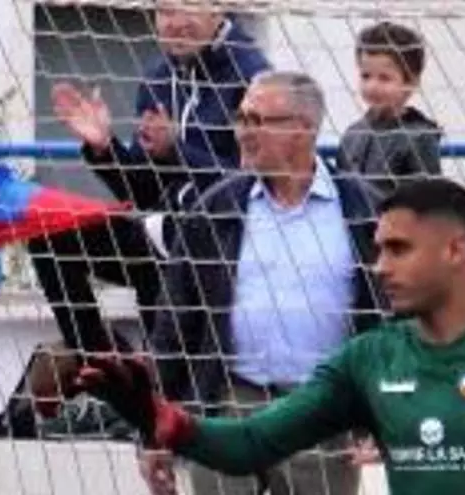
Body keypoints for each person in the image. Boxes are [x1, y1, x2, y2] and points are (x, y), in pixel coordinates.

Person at [70, 178, 465, 495]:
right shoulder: (369, 358)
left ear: (456, 249)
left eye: (399, 249)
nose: (379, 266)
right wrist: (168, 421)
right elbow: (252, 443)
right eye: (378, 249)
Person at [0, 3, 271, 439]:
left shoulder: (253, 76)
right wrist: (104, 148)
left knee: (169, 273)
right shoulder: (157, 76)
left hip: (221, 246)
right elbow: (145, 192)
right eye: (164, 10)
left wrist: (177, 150)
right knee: (53, 234)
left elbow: (253, 184)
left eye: (187, 8)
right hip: (163, 234)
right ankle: (104, 375)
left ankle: (156, 402)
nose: (174, 22)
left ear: (217, 9)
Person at [143, 70, 381, 495]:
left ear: (304, 128)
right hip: (231, 404)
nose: (243, 132)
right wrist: (154, 430)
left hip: (323, 412)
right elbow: (175, 323)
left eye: (258, 120)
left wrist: (385, 416)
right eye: (241, 119)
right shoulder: (215, 208)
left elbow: (393, 320)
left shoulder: (363, 209)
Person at [336, 21, 442, 195]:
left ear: (411, 82)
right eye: (366, 76)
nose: (372, 86)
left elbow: (428, 199)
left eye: (384, 78)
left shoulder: (418, 138)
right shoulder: (352, 134)